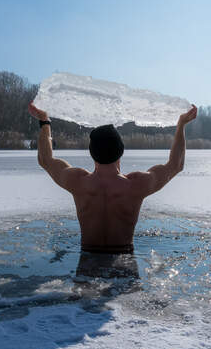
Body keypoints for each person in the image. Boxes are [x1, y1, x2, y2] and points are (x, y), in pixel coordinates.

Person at [27, 102, 197, 255]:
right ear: (121, 151)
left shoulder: (78, 182)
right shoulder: (136, 185)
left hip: (88, 259)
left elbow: (45, 160)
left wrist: (44, 121)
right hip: (124, 259)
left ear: (92, 153)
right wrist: (181, 124)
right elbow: (176, 165)